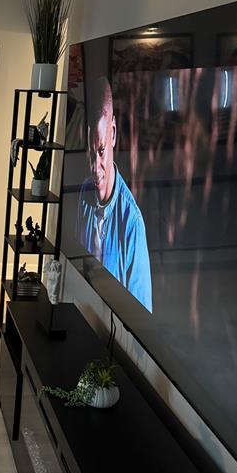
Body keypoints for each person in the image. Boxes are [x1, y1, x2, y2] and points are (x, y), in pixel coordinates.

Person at [76, 76, 152, 311]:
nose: (94, 166)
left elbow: (141, 311)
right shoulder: (84, 193)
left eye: (100, 150)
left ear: (114, 133)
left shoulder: (133, 222)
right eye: (90, 152)